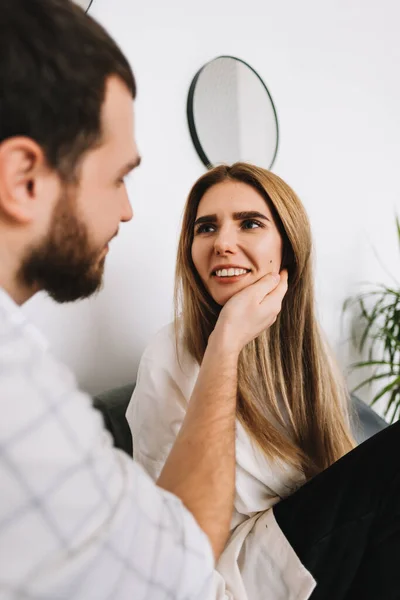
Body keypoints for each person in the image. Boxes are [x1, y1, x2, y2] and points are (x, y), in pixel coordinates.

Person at [0, 1, 288, 598]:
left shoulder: (24, 358)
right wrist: (227, 340)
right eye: (118, 177)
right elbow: (170, 565)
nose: (129, 210)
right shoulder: (16, 389)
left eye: (250, 224)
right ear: (24, 179)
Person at [127, 163, 400, 600]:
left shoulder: (303, 350)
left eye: (249, 224)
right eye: (206, 228)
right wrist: (225, 343)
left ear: (287, 248)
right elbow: (181, 543)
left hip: (314, 553)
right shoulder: (168, 356)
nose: (223, 243)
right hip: (234, 575)